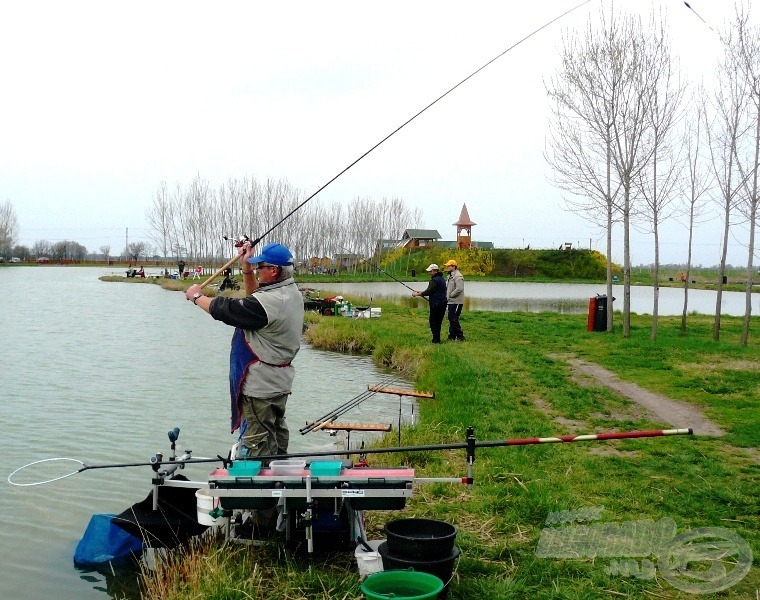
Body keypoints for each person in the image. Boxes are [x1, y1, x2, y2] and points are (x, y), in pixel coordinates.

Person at [184, 242, 304, 459]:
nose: (258, 271)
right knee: (275, 437)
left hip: (260, 387)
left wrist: (196, 297)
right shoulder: (289, 292)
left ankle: (258, 488)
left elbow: (226, 310)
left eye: (260, 268)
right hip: (277, 383)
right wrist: (246, 267)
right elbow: (255, 298)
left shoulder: (271, 302)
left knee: (256, 445)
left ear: (274, 270)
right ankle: (279, 479)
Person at [412, 264, 447, 343]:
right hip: (443, 303)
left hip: (436, 304)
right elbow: (433, 291)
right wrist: (421, 292)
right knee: (438, 322)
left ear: (435, 271)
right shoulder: (441, 279)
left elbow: (429, 291)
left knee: (433, 322)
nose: (429, 273)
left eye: (430, 271)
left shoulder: (434, 280)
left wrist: (417, 294)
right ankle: (436, 339)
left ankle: (436, 340)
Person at [444, 259, 465, 341]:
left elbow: (459, 289)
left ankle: (460, 336)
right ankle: (452, 336)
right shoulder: (450, 276)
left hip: (457, 301)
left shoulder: (458, 276)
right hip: (451, 301)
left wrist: (450, 295)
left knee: (453, 318)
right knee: (451, 318)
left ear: (453, 266)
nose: (447, 267)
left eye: (449, 266)